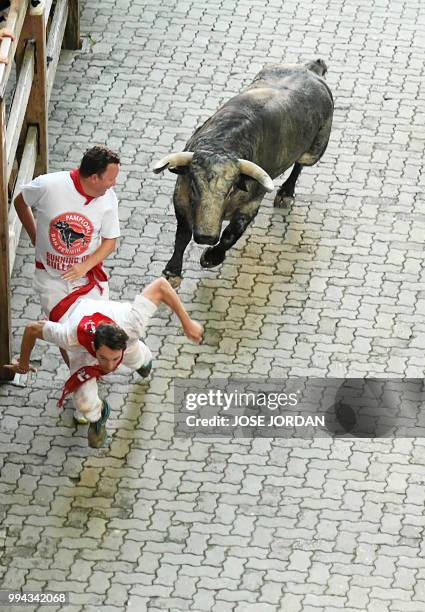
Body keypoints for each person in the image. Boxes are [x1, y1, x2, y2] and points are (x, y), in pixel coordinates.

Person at [4, 278, 203, 448]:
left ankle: (142, 360)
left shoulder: (133, 323)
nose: (109, 367)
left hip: (127, 341)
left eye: (115, 359)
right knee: (84, 401)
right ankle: (98, 417)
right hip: (83, 352)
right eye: (104, 359)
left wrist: (187, 322)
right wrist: (23, 364)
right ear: (95, 347)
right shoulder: (70, 336)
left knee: (137, 359)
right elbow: (31, 329)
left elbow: (161, 285)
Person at [14, 145, 121, 323]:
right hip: (51, 278)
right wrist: (35, 237)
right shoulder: (47, 186)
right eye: (111, 179)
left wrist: (84, 267)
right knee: (66, 333)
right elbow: (20, 202)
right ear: (94, 178)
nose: (114, 183)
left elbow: (110, 242)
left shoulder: (108, 199)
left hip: (88, 278)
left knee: (94, 330)